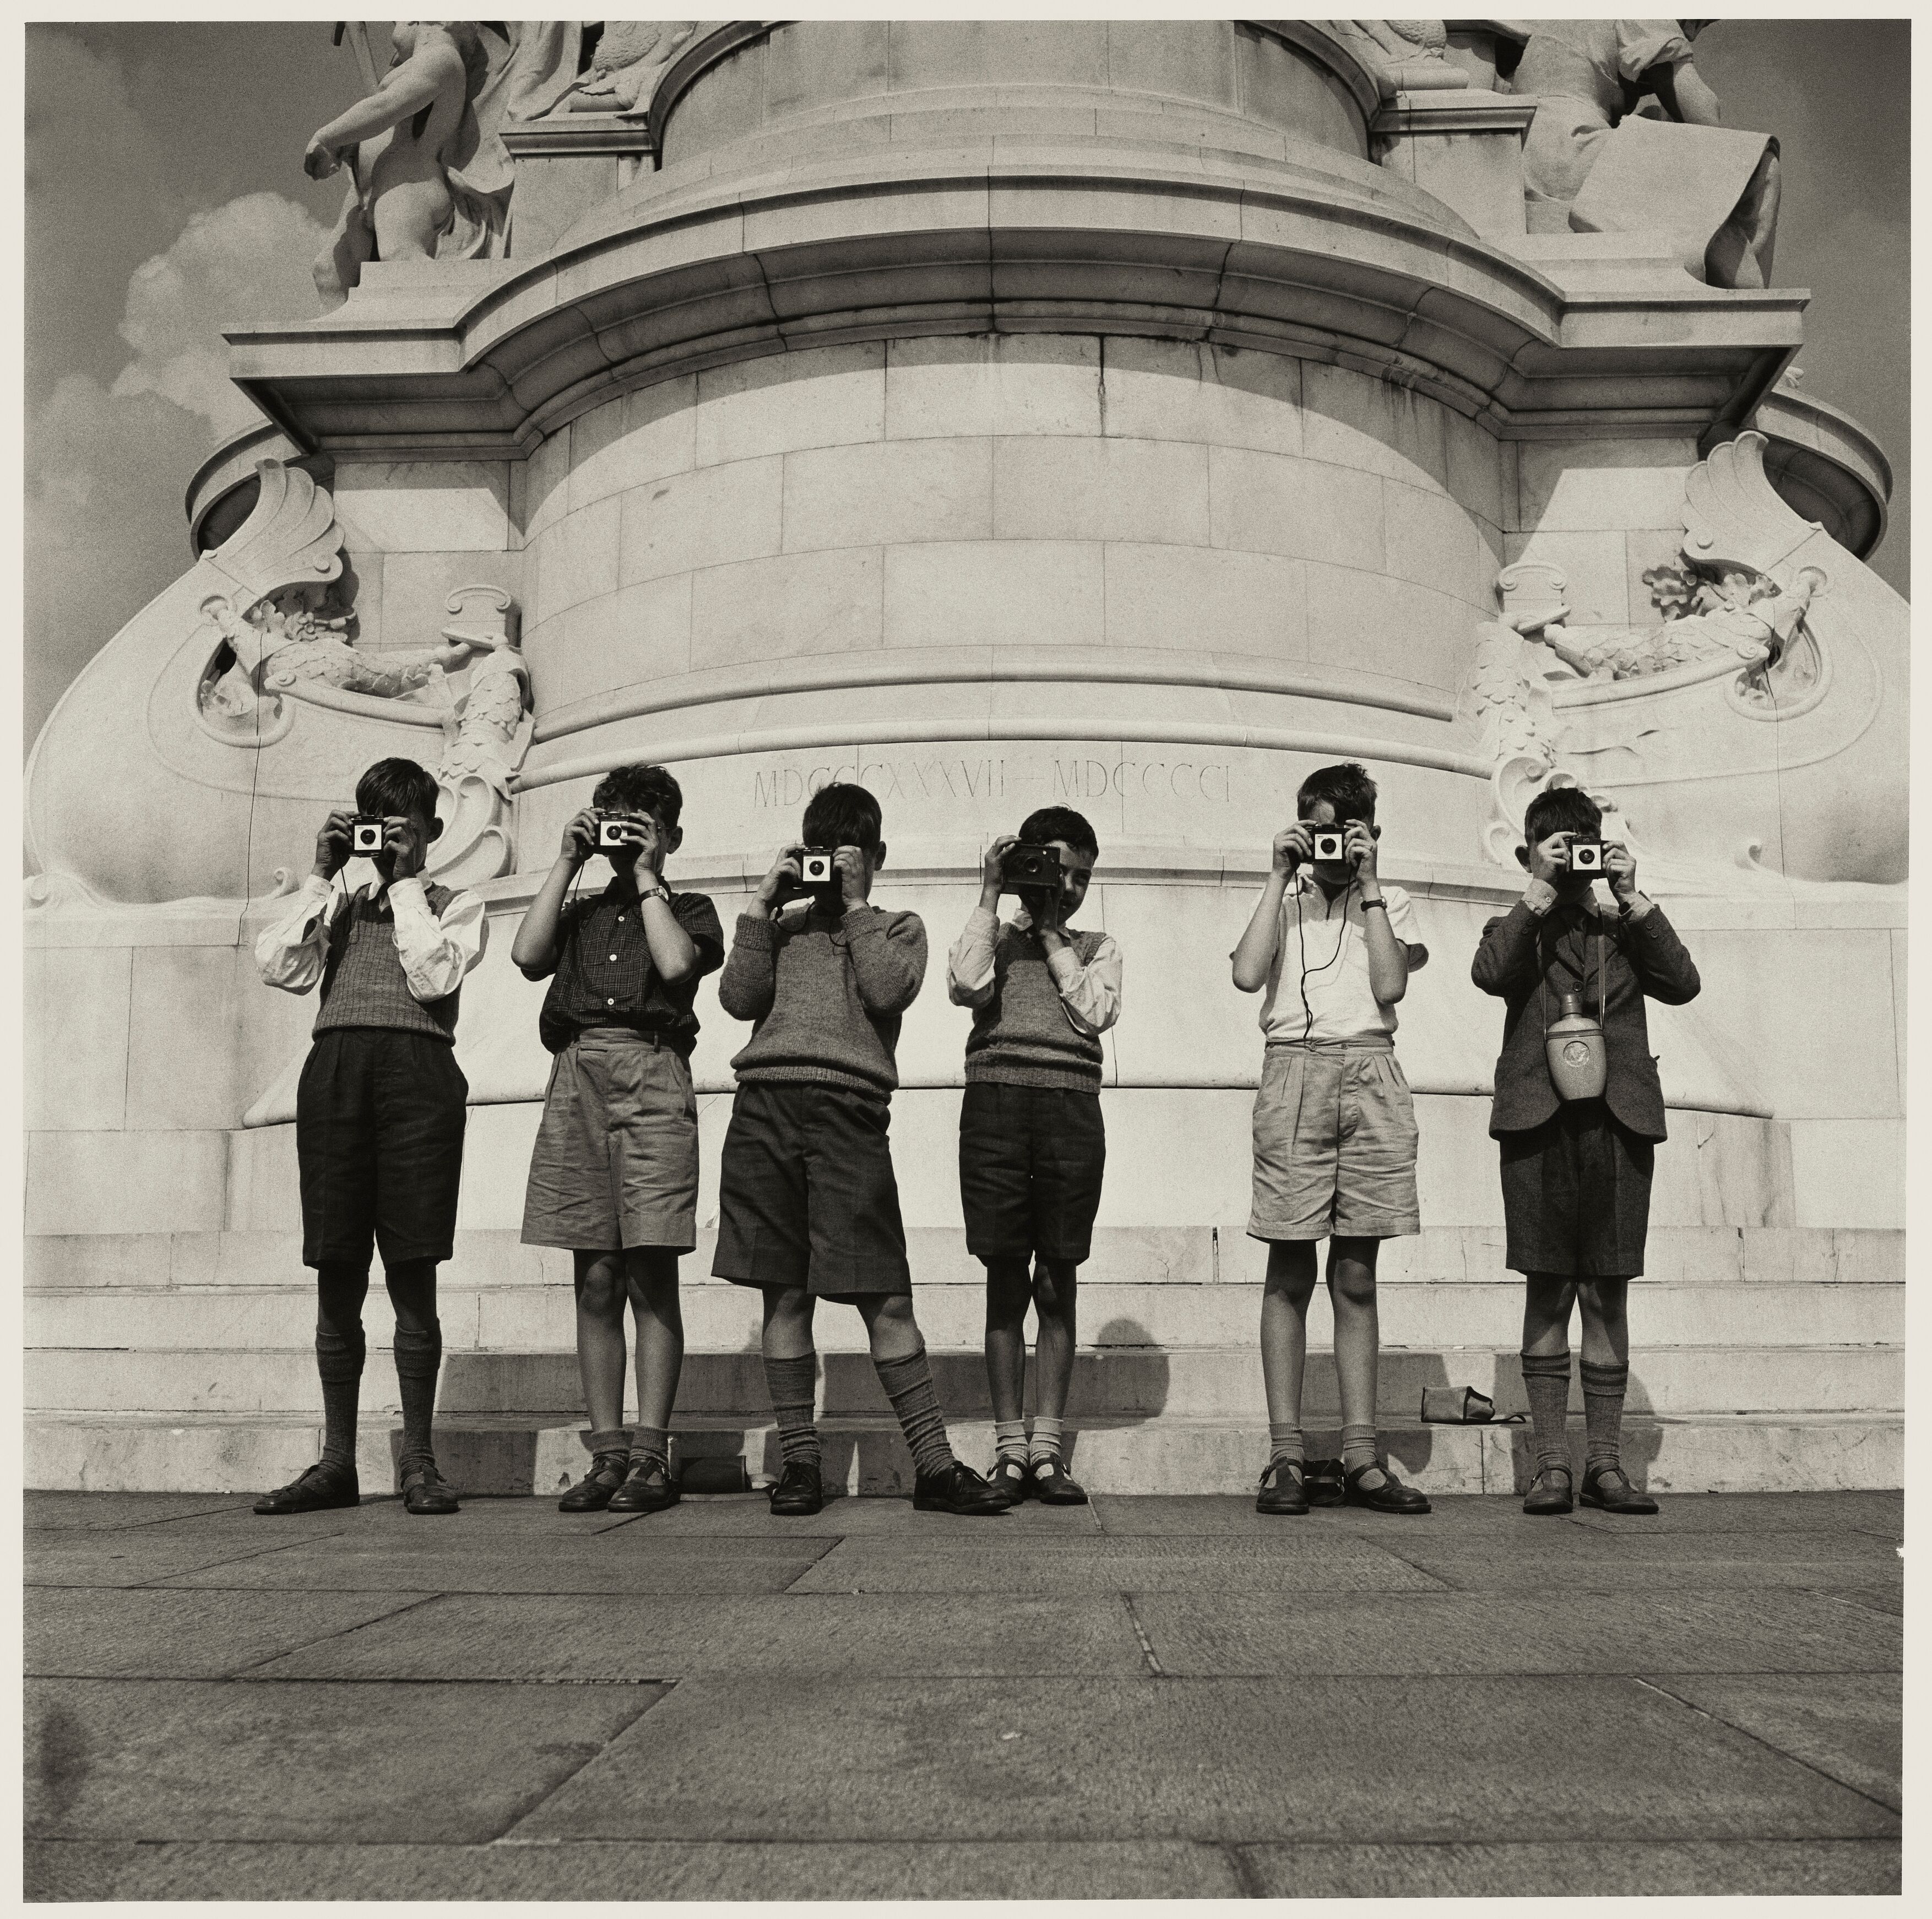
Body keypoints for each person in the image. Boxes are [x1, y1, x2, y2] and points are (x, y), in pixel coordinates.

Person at [713, 782, 1005, 1518]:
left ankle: (933, 1465)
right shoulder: (778, 926)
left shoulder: (896, 926)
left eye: (851, 857)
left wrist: (855, 909)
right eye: (823, 855)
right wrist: (758, 908)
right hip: (765, 1107)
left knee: (885, 1292)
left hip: (848, 1112)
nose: (836, 870)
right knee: (784, 1290)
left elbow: (887, 991)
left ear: (876, 857)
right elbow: (739, 1000)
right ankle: (801, 1464)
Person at [252, 758, 487, 1516]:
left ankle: (420, 1460)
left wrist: (410, 879)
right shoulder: (340, 907)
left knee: (414, 1269)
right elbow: (280, 966)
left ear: (431, 831)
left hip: (418, 1075)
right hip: (337, 1073)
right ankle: (337, 1460)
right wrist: (322, 876)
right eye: (374, 824)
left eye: (402, 826)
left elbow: (434, 980)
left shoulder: (458, 903)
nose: (385, 840)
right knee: (337, 1268)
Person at [1473, 787, 1701, 1516]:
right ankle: (1550, 1464)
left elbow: (1683, 983)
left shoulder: (1623, 928)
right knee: (1547, 1287)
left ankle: (1605, 1462)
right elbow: (1489, 973)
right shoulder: (1521, 927)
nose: (1575, 862)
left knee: (1607, 1292)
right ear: (1534, 851)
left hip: (1618, 1122)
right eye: (1560, 849)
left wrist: (1633, 898)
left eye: (1583, 847)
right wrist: (1537, 892)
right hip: (1538, 1123)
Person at [513, 765, 724, 1515]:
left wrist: (647, 877)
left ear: (669, 834)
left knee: (649, 1271)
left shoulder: (688, 905)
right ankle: (605, 1452)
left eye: (640, 824)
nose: (622, 835)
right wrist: (567, 859)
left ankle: (650, 1450)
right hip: (577, 1074)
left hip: (653, 1070)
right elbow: (527, 955)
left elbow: (675, 964)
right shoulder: (576, 907)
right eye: (613, 821)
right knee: (594, 1273)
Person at [1229, 762, 1431, 1518]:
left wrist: (1372, 884)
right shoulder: (1287, 902)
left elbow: (1390, 986)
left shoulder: (1393, 901)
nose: (1332, 848)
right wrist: (1277, 874)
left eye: (1345, 833)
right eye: (1318, 830)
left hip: (1371, 1074)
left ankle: (1360, 1454)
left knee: (1356, 1275)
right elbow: (1249, 975)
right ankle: (1284, 1452)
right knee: (1288, 1267)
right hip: (1294, 1073)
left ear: (1372, 835)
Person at [948, 808, 1122, 1508]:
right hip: (994, 1104)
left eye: (1081, 875)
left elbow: (1094, 1013)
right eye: (1056, 871)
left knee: (1057, 1275)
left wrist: (1054, 934)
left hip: (1069, 1108)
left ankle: (1046, 1447)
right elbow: (964, 983)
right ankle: (1008, 1447)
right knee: (1002, 1278)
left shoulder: (1096, 943)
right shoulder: (995, 935)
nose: (1069, 886)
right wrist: (991, 894)